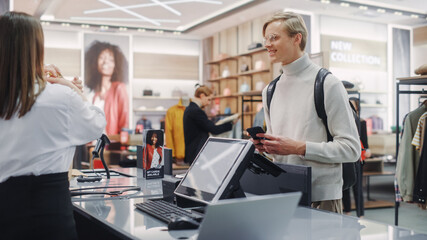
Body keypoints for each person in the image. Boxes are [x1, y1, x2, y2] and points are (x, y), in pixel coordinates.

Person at [0, 12, 106, 239]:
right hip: (49, 214)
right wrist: (74, 91)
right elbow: (96, 126)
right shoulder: (60, 97)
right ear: (36, 49)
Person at [251, 12, 361, 213]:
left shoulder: (328, 84)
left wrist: (299, 148)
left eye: (274, 37)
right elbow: (282, 149)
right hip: (282, 195)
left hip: (322, 198)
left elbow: (351, 149)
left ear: (297, 38)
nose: (267, 44)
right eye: (265, 39)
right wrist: (266, 147)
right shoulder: (270, 90)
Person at [85, 40, 129, 135]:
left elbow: (124, 124)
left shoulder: (119, 88)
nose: (105, 62)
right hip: (92, 144)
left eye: (111, 60)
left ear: (116, 64)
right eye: (102, 58)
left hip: (110, 145)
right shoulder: (92, 94)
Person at [183, 85, 234, 164]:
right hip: (197, 152)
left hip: (193, 152)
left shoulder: (189, 109)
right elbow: (214, 129)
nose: (209, 103)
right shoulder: (196, 111)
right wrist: (231, 124)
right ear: (202, 96)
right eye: (208, 99)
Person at [343, 98, 371, 217]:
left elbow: (364, 140)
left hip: (358, 157)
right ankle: (347, 211)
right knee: (345, 186)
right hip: (345, 156)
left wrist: (367, 150)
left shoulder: (361, 122)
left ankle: (361, 214)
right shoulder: (343, 121)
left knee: (357, 187)